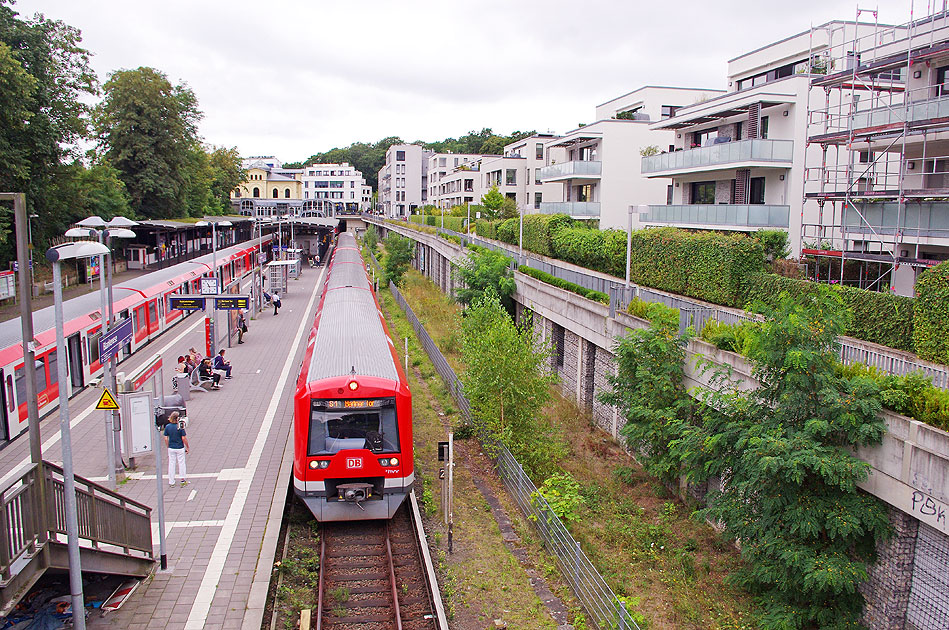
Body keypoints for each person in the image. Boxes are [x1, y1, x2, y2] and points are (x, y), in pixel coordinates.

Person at [163, 411, 189, 487]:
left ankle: (171, 481)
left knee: (171, 463)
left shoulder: (168, 427)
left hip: (171, 447)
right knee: (181, 463)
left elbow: (165, 438)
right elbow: (183, 438)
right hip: (180, 447)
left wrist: (168, 446)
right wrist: (187, 446)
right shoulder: (180, 427)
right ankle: (182, 479)